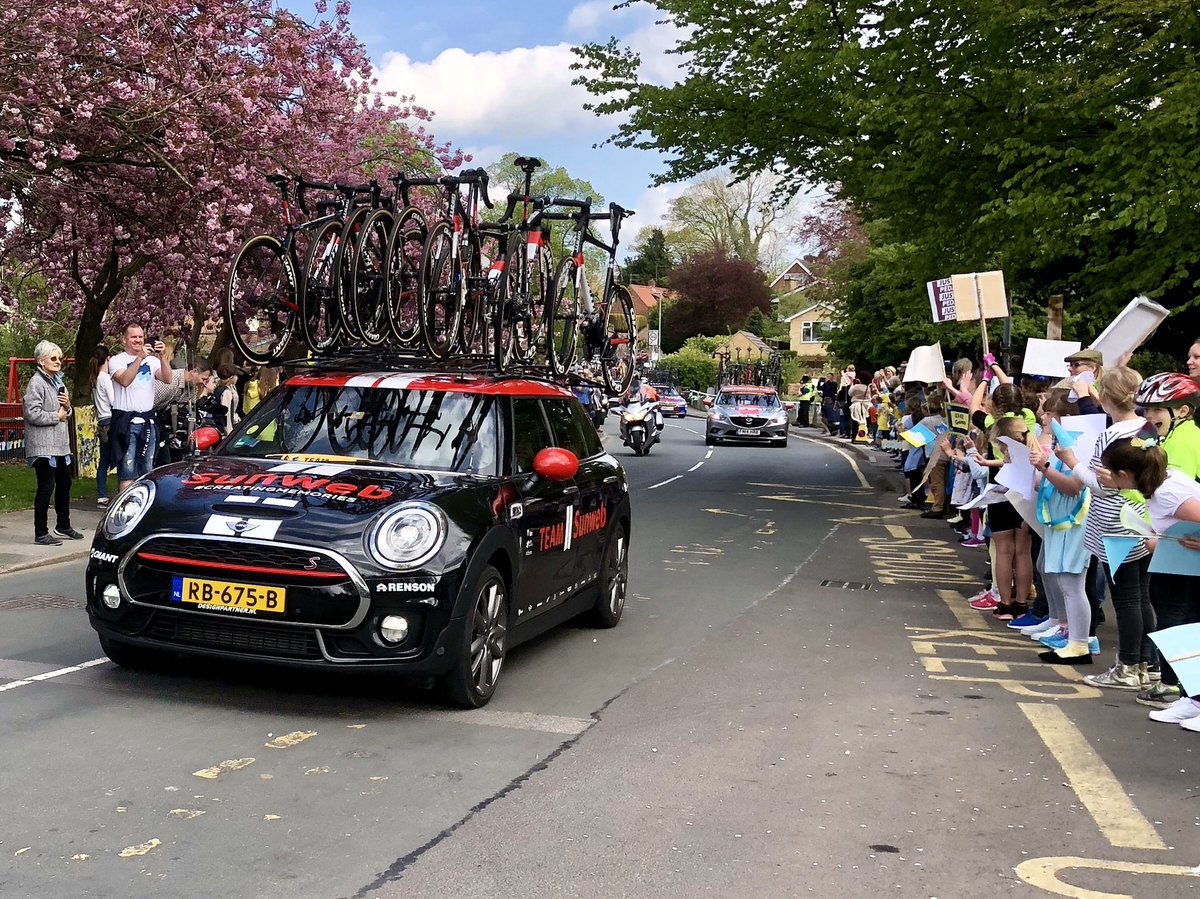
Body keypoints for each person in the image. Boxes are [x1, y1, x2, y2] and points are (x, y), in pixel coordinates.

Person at [1053, 366, 1152, 690]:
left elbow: (1100, 485)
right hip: (1142, 516)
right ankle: (1146, 664)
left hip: (1113, 522)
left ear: (1105, 398)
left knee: (1125, 599)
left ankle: (1126, 666)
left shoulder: (1111, 435)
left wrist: (1071, 460)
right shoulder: (1149, 428)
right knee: (1140, 596)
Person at [1096, 430, 1200, 728]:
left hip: (1192, 567)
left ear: (1126, 474)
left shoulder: (1168, 491)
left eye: (1113, 474)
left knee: (1194, 634)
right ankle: (1193, 700)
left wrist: (1161, 544)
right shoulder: (1161, 483)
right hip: (1189, 569)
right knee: (1190, 633)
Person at [23, 341, 83, 545]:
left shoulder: (58, 382)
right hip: (43, 446)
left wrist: (68, 407)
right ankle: (40, 532)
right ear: (41, 361)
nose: (58, 362)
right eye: (53, 358)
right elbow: (32, 413)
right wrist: (56, 416)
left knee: (65, 484)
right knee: (46, 487)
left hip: (60, 445)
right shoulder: (36, 383)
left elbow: (66, 413)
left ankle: (63, 525)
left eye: (60, 358)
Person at [109, 323, 173, 491]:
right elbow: (124, 381)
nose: (138, 340)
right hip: (127, 421)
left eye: (140, 337)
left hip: (148, 421)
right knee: (127, 471)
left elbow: (168, 379)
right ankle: (124, 510)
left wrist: (162, 357)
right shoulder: (117, 360)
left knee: (147, 470)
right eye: (133, 337)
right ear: (125, 339)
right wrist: (139, 359)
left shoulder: (152, 361)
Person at [88, 345, 114, 507]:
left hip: (101, 421)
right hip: (111, 420)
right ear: (108, 359)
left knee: (103, 460)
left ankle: (101, 495)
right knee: (122, 456)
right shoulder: (106, 378)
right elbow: (114, 401)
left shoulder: (94, 379)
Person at [212, 363, 242, 436]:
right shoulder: (226, 392)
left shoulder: (218, 388)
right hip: (225, 429)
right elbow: (226, 415)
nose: (237, 378)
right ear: (232, 377)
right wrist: (230, 433)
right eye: (236, 375)